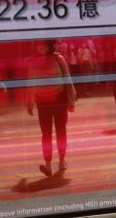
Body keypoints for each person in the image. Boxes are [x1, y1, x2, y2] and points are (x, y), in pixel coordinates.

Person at [26, 40, 77, 177]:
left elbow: (67, 78)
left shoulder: (58, 58)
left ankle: (62, 160)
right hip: (42, 102)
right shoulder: (32, 61)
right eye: (38, 44)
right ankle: (48, 164)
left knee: (61, 131)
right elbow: (31, 81)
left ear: (49, 45)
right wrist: (29, 101)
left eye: (43, 44)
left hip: (59, 100)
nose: (41, 47)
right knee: (46, 133)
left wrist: (71, 99)